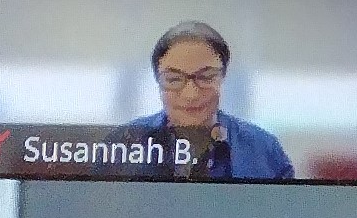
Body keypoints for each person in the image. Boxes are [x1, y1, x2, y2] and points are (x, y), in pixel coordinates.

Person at [121, 20, 293, 181]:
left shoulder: (264, 150)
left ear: (223, 77)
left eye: (206, 77)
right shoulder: (122, 144)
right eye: (174, 79)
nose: (191, 94)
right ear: (158, 81)